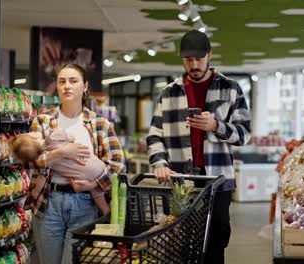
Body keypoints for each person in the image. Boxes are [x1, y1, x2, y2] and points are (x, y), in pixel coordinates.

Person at [147, 30, 251, 264]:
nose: (194, 65)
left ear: (209, 55)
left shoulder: (231, 88)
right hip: (180, 180)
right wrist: (160, 163)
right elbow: (154, 136)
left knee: (216, 241)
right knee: (179, 242)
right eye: (188, 60)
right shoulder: (168, 93)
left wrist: (215, 125)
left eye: (199, 59)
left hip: (218, 180)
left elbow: (244, 134)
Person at [26, 63, 125, 264]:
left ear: (85, 86)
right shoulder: (43, 121)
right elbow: (31, 162)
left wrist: (92, 185)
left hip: (86, 204)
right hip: (48, 203)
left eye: (73, 81)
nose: (67, 86)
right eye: (62, 81)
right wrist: (62, 152)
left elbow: (117, 165)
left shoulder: (100, 124)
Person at [11, 129, 110, 215]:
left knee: (97, 195)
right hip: (93, 164)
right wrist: (70, 141)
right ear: (34, 137)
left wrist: (36, 192)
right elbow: (71, 136)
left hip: (82, 178)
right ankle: (108, 211)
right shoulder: (53, 136)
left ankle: (105, 210)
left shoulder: (44, 159)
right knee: (104, 187)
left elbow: (42, 177)